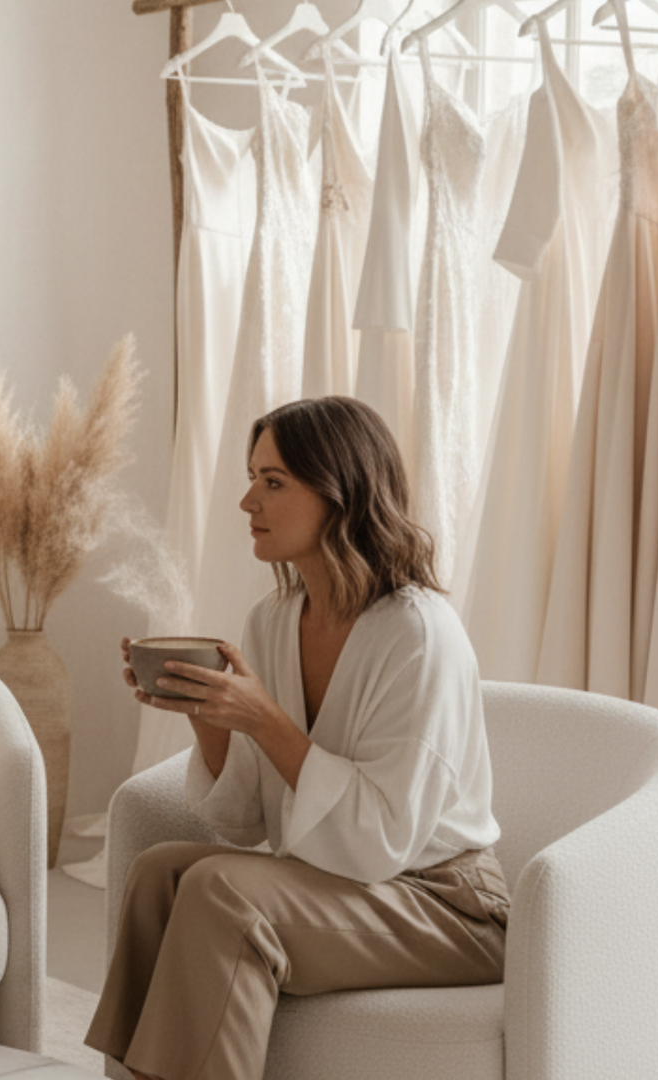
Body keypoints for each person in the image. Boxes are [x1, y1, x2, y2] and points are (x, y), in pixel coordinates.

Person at [86, 396, 507, 1080]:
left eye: (273, 482)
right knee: (161, 872)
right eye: (252, 477)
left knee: (224, 891)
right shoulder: (274, 619)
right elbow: (244, 819)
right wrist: (207, 711)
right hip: (338, 882)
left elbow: (381, 842)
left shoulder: (417, 633)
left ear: (341, 492)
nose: (248, 501)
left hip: (446, 908)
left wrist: (263, 720)